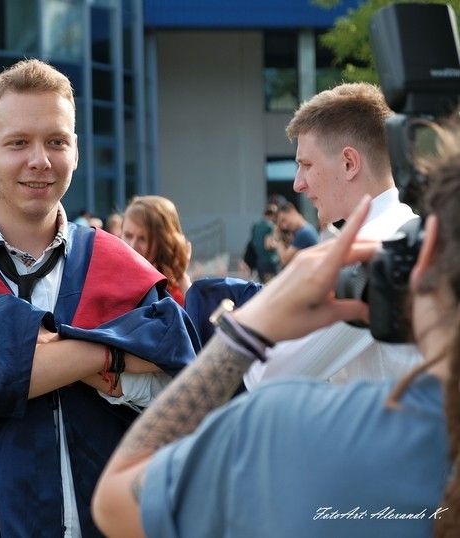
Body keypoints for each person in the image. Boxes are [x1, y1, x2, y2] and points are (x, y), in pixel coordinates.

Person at [0, 58, 195, 537]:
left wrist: (32, 347)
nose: (40, 160)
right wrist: (109, 351)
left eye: (56, 141)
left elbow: (177, 371)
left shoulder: (119, 264)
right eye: (18, 142)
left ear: (76, 149)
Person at [91, 141, 455, 537]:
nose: (299, 183)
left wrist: (242, 334)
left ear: (427, 247)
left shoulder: (284, 425)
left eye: (306, 164)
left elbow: (115, 502)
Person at [245, 82, 421, 388]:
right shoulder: (411, 231)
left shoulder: (368, 254)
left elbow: (267, 379)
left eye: (306, 164)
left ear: (349, 163)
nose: (298, 183)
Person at [121, 195, 192, 305]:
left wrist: (182, 276)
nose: (132, 245)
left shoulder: (170, 293)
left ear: (162, 243)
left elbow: (195, 319)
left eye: (143, 239)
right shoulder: (109, 277)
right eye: (128, 235)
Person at [273, 201, 318, 266]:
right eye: (281, 224)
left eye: (284, 220)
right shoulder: (307, 229)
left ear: (292, 212)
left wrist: (278, 236)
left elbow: (284, 260)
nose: (284, 226)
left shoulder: (304, 233)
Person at [248, 203, 280, 282]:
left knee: (262, 287)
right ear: (272, 215)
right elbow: (268, 245)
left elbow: (253, 243)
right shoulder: (270, 226)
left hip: (259, 261)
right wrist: (280, 245)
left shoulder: (256, 225)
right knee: (272, 287)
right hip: (270, 261)